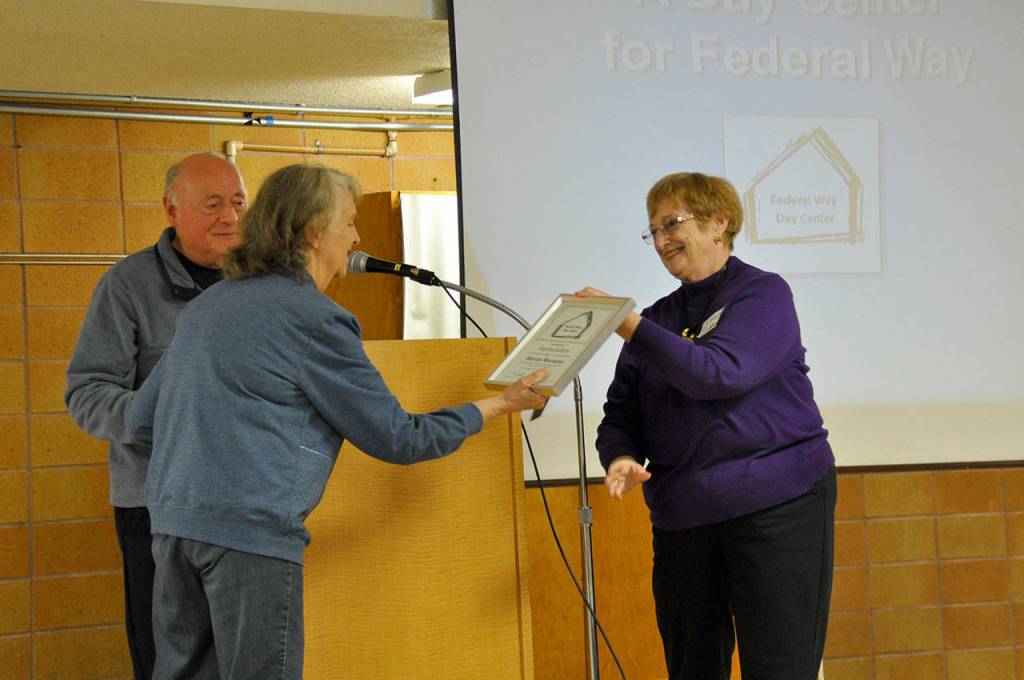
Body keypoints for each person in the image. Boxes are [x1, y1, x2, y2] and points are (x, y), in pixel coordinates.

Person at [124, 163, 548, 680]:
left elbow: (140, 420)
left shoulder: (206, 306)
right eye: (348, 222)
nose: (357, 237)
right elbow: (399, 438)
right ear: (313, 232)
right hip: (251, 539)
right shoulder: (314, 318)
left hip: (172, 529)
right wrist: (498, 406)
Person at [576, 172, 835, 680]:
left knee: (779, 669)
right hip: (684, 520)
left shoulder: (762, 294)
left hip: (777, 508)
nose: (661, 240)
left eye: (672, 224)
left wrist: (626, 323)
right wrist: (620, 455)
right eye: (653, 231)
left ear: (720, 222)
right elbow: (621, 412)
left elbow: (718, 374)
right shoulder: (657, 318)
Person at [65, 152, 248, 680]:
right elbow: (87, 392)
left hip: (245, 501)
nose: (231, 217)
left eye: (238, 202)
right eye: (213, 205)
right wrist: (159, 418)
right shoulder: (127, 286)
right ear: (172, 210)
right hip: (156, 508)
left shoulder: (260, 283)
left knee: (244, 656)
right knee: (166, 659)